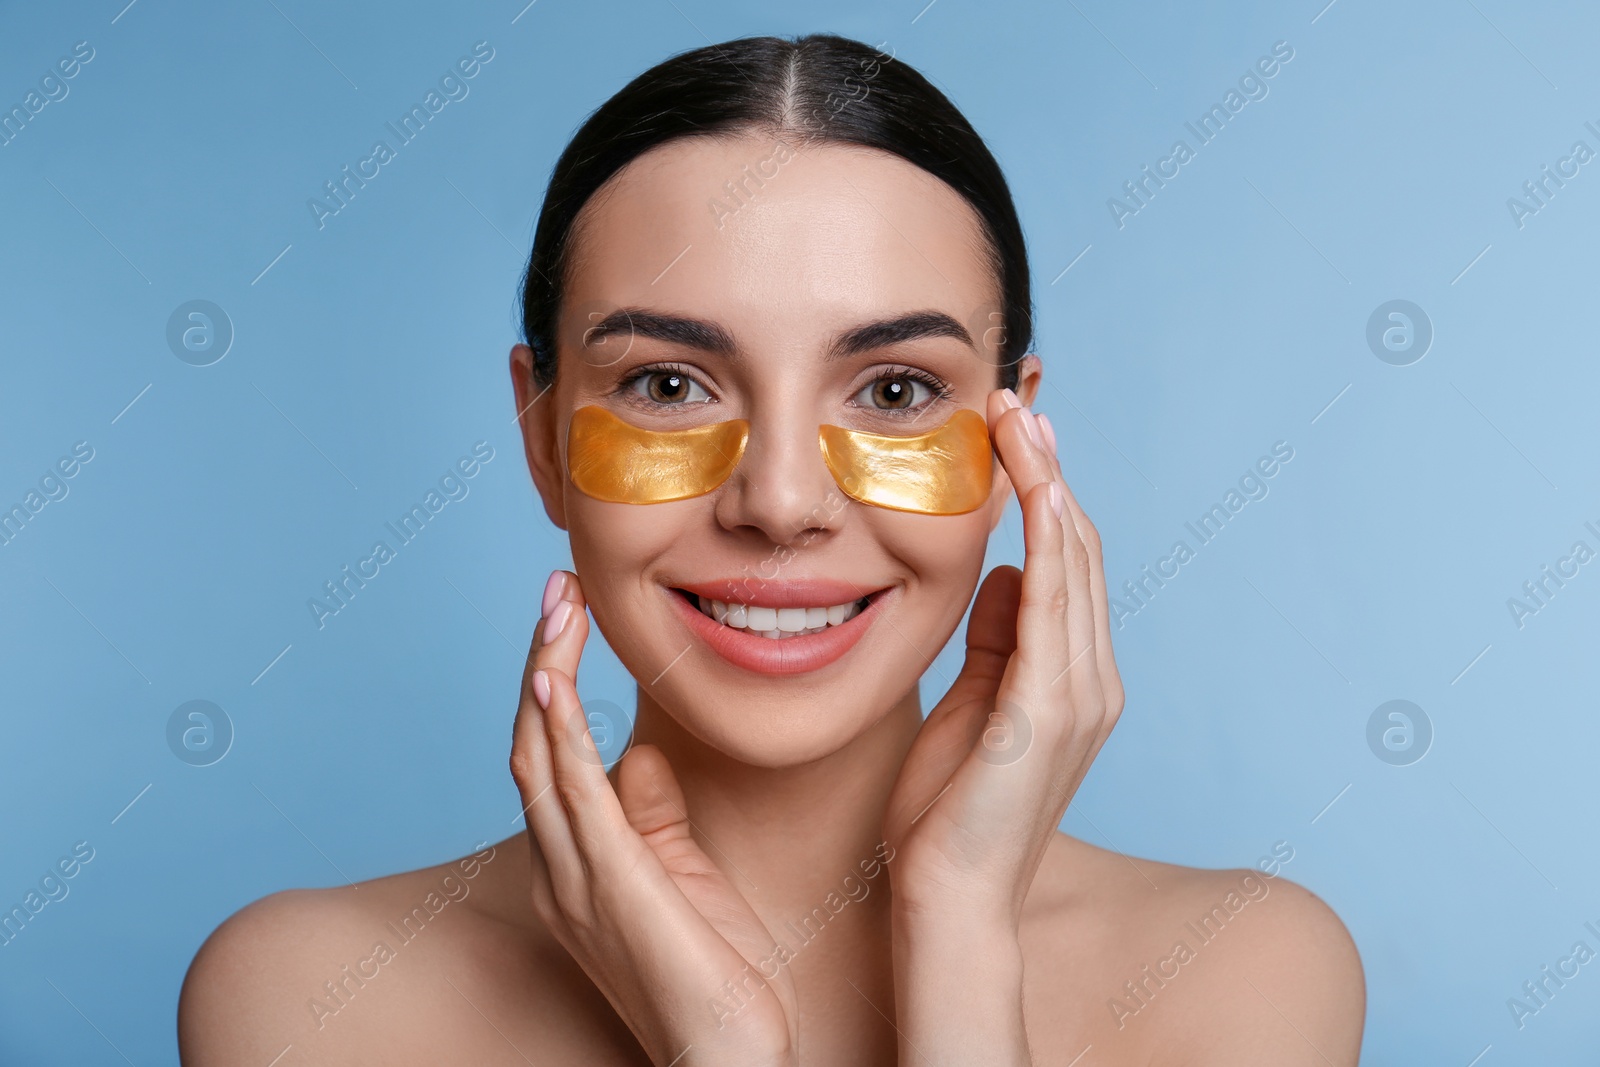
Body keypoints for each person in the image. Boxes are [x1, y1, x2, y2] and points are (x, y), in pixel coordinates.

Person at [178, 32, 1364, 1065]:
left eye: (896, 388)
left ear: (1016, 442)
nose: (783, 500)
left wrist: (956, 941)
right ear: (541, 436)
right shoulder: (303, 1001)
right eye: (667, 383)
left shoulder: (1245, 977)